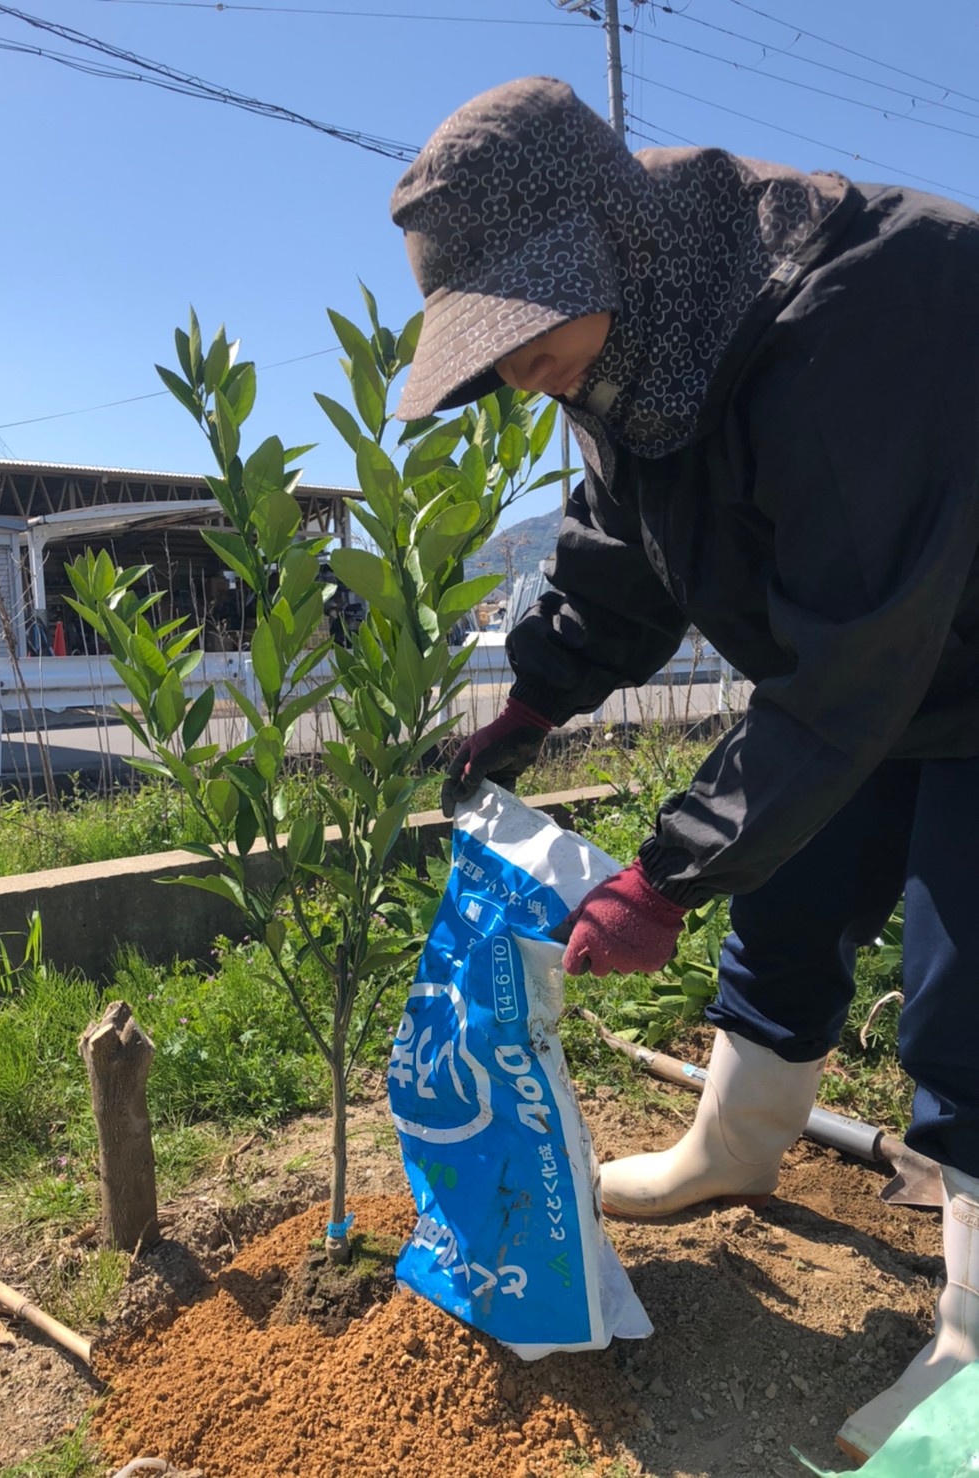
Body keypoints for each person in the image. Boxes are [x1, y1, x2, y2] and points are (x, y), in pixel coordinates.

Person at [389, 76, 979, 1463]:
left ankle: (976, 1343)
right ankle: (737, 1141)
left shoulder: (865, 312)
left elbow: (848, 663)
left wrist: (663, 870)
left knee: (972, 982)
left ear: (607, 240)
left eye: (522, 332)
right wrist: (531, 700)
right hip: (881, 655)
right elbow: (622, 552)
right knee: (792, 893)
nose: (515, 369)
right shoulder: (623, 348)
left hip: (935, 639)